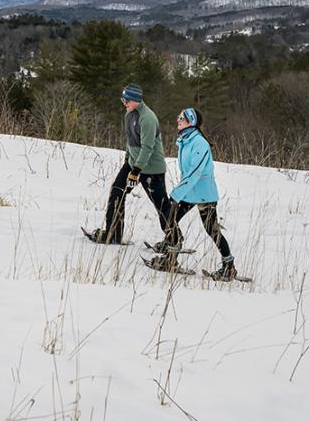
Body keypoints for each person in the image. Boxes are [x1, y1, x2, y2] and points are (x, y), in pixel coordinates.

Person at [146, 107, 239, 280]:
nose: (178, 119)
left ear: (191, 122)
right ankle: (171, 259)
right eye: (179, 116)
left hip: (204, 194)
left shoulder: (199, 144)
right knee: (168, 219)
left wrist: (175, 194)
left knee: (212, 229)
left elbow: (195, 173)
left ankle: (229, 266)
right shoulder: (185, 140)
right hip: (190, 193)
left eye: (182, 117)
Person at [84, 83, 171, 244]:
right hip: (133, 164)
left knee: (162, 206)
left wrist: (136, 171)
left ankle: (173, 240)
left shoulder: (148, 118)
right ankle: (113, 233)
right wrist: (127, 161)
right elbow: (130, 141)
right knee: (117, 191)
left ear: (137, 100)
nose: (124, 104)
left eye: (127, 100)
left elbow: (147, 148)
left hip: (151, 169)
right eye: (123, 100)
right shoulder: (129, 115)